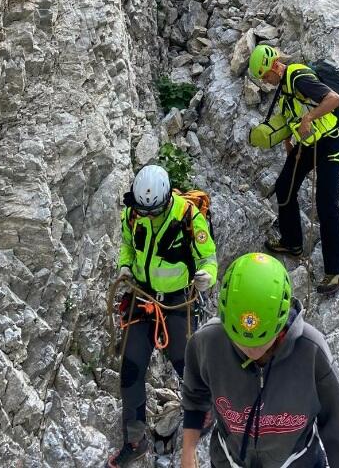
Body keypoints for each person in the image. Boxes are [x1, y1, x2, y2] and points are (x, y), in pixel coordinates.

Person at [179, 253, 339, 467]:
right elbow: (195, 396)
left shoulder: (310, 351)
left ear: (282, 320)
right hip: (229, 461)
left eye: (262, 341)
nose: (251, 350)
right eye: (239, 340)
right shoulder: (208, 342)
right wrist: (189, 451)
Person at [107, 165, 217, 467]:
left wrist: (207, 274)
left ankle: (205, 409)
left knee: (186, 363)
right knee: (131, 369)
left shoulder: (188, 216)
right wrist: (125, 266)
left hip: (176, 300)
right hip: (141, 297)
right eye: (144, 211)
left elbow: (208, 256)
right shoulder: (133, 213)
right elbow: (128, 245)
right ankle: (135, 440)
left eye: (153, 211)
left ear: (167, 199)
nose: (147, 216)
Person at [248, 44, 339, 295]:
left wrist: (309, 118)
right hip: (307, 145)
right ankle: (292, 242)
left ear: (274, 66)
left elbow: (333, 99)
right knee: (284, 187)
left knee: (327, 203)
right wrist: (288, 143)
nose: (266, 82)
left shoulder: (297, 76)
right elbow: (290, 117)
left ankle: (336, 271)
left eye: (266, 76)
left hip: (330, 141)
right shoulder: (283, 90)